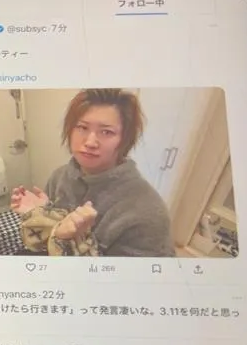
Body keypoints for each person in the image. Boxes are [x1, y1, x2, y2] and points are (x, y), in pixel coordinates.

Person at [11, 88, 175, 257]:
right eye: (82, 127)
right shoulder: (59, 176)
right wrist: (40, 213)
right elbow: (45, 244)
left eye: (106, 132)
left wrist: (72, 238)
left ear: (125, 140)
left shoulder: (147, 212)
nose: (90, 142)